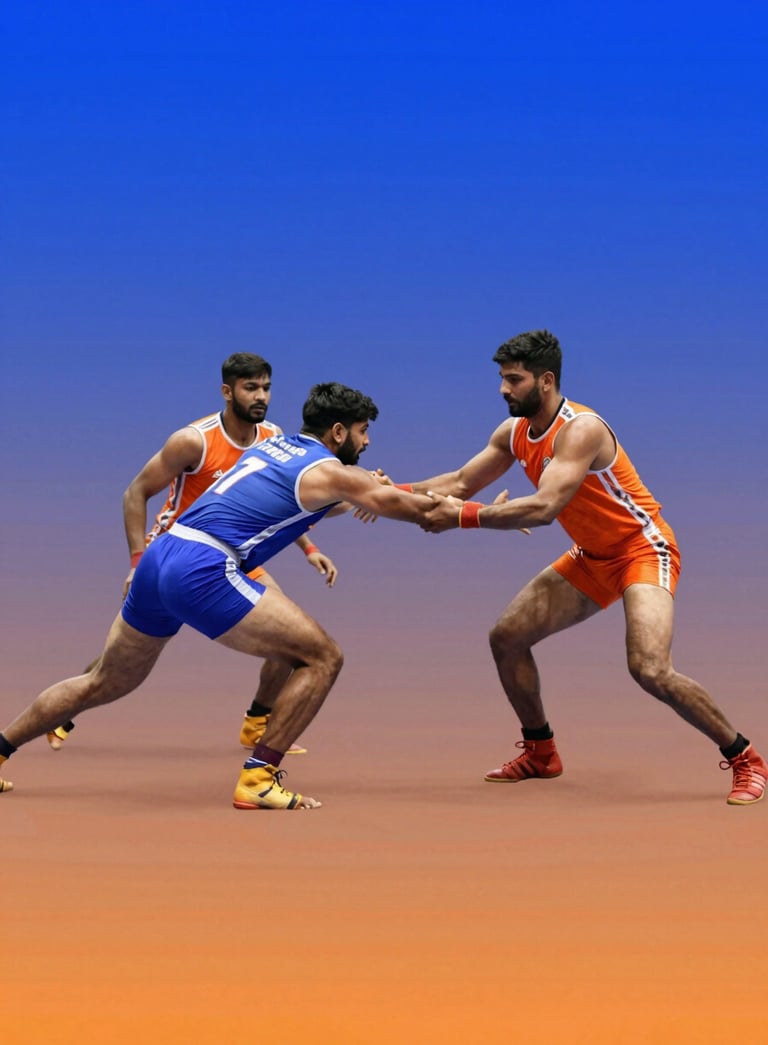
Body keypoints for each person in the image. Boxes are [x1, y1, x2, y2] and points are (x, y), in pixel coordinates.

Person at [0, 383, 435, 809]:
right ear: (339, 433)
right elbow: (403, 506)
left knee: (104, 680)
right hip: (204, 566)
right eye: (363, 431)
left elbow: (314, 499)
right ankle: (258, 779)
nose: (367, 440)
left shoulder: (274, 444)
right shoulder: (312, 465)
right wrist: (480, 515)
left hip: (162, 555)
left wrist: (371, 492)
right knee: (322, 657)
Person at [409, 329, 766, 806]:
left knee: (650, 667)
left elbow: (544, 507)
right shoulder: (513, 432)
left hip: (643, 549)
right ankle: (540, 752)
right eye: (501, 378)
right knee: (507, 637)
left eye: (513, 380)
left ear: (546, 380)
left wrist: (462, 517)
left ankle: (745, 757)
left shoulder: (582, 429)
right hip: (592, 556)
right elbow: (457, 482)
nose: (502, 389)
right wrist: (384, 491)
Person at [45, 352, 337, 757]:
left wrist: (310, 548)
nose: (261, 396)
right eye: (251, 387)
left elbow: (281, 506)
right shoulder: (194, 441)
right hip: (174, 553)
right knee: (121, 657)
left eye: (267, 387)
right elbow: (135, 494)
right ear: (227, 391)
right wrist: (136, 561)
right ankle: (66, 710)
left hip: (231, 558)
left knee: (293, 641)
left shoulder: (274, 438)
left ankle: (257, 722)